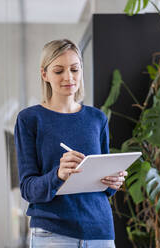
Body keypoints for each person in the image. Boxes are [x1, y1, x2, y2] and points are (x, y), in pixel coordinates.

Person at [14, 39, 126, 248]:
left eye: (74, 69)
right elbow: (28, 189)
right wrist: (58, 174)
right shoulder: (29, 119)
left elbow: (104, 188)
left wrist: (113, 181)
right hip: (53, 234)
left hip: (99, 232)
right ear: (44, 74)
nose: (69, 77)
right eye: (58, 71)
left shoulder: (97, 118)